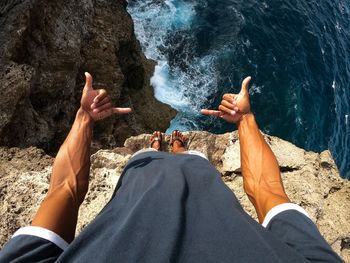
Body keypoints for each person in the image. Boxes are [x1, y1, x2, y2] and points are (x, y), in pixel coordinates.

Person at [0, 73, 342, 262]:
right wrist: (246, 121)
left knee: (153, 157)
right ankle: (177, 146)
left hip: (142, 170)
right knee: (189, 158)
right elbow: (268, 192)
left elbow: (65, 190)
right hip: (199, 173)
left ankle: (157, 146)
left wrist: (84, 118)